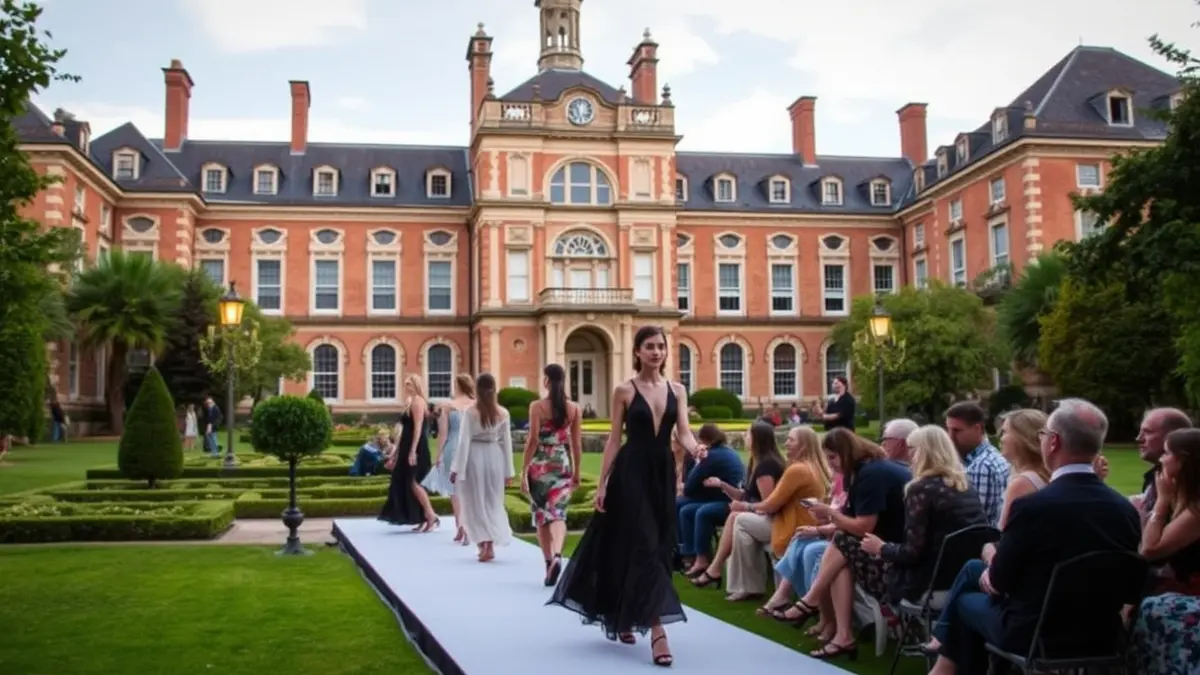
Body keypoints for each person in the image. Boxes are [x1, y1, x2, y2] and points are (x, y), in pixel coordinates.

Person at [928, 398, 1141, 675]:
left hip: (1037, 634)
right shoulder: (1124, 509)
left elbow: (999, 581)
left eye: (1042, 435)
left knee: (965, 602)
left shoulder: (1034, 507)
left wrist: (989, 561)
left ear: (1053, 442)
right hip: (1103, 635)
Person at [547, 325, 705, 668]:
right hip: (631, 473)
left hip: (661, 475)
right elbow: (614, 441)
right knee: (644, 546)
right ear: (637, 352)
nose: (656, 352)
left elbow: (684, 433)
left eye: (661, 346)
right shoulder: (624, 391)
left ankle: (624, 615)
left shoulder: (678, 389)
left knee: (657, 548)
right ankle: (658, 630)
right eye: (649, 346)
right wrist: (602, 483)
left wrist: (697, 449)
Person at [1129, 427, 1200, 674]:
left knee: (1146, 604)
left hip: (1191, 591)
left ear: (1184, 461)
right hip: (1179, 584)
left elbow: (1149, 549)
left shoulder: (1196, 510)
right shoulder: (1184, 499)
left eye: (1167, 453)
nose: (1161, 459)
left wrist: (1161, 501)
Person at [522, 363, 582, 585]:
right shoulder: (573, 408)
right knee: (558, 514)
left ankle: (548, 563)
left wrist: (523, 470)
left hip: (539, 464)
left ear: (546, 380)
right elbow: (576, 444)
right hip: (561, 463)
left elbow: (533, 440)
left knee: (541, 516)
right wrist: (576, 471)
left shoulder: (537, 406)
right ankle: (558, 554)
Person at [450, 373, 514, 562]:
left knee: (474, 501)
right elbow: (506, 443)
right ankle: (490, 543)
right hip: (495, 457)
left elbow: (463, 443)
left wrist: (456, 468)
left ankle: (483, 543)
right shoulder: (503, 412)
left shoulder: (471, 412)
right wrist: (508, 471)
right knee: (493, 501)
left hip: (474, 457)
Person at [677, 424, 745, 578]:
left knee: (696, 510)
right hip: (721, 496)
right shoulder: (727, 451)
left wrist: (700, 460)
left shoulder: (711, 456)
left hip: (728, 500)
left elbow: (688, 486)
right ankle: (690, 553)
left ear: (704, 440)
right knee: (684, 507)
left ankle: (696, 556)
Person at [378, 375, 439, 532]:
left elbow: (418, 428)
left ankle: (431, 515)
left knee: (414, 482)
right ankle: (422, 518)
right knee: (407, 482)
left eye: (409, 384)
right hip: (407, 444)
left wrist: (413, 450)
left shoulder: (418, 401)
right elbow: (404, 431)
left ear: (416, 385)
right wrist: (395, 453)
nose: (406, 386)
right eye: (406, 384)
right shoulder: (409, 402)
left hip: (417, 446)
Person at [422, 374, 476, 544]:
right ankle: (468, 526)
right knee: (469, 489)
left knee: (455, 490)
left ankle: (460, 525)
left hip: (453, 448)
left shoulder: (448, 406)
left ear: (457, 386)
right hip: (472, 448)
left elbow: (443, 434)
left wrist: (438, 455)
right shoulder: (477, 405)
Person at [944, 401, 1010, 527]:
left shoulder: (981, 467)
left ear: (977, 429)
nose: (950, 436)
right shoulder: (989, 456)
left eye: (957, 430)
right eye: (948, 429)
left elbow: (974, 525)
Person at [1133, 407, 1193, 518]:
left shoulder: (1189, 487)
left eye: (1148, 432)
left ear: (1174, 436)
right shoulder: (1157, 476)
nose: (1139, 438)